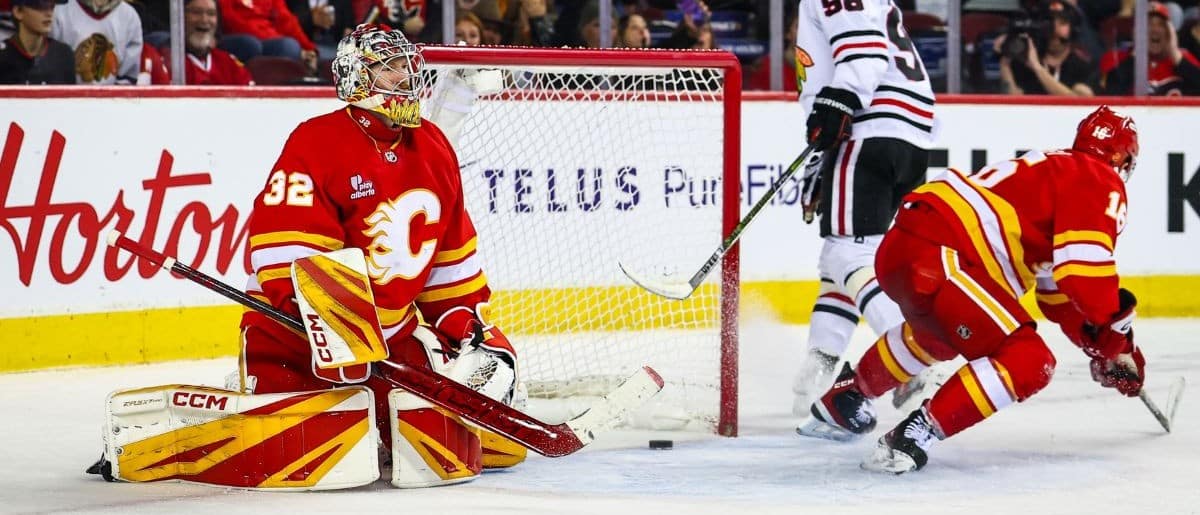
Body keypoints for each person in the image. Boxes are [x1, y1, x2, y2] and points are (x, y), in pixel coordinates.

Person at [239, 23, 524, 483]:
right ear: (357, 79)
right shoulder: (316, 142)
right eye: (389, 68)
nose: (406, 77)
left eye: (406, 65)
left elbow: (448, 271)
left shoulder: (433, 146)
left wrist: (471, 335)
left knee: (468, 452)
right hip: (296, 344)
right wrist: (347, 341)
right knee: (334, 455)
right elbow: (286, 260)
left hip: (391, 347)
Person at [799, 106, 1144, 474]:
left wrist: (1101, 346)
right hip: (946, 255)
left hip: (906, 246)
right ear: (1123, 161)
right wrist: (1116, 341)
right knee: (1029, 361)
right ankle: (914, 435)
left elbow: (1058, 297)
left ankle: (845, 402)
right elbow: (1085, 281)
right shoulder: (1097, 178)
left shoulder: (1053, 169)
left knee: (938, 337)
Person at [788, 0, 937, 415]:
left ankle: (908, 351)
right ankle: (819, 369)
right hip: (906, 137)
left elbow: (866, 49)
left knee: (847, 252)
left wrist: (839, 101)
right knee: (845, 263)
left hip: (870, 126)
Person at [1100, 1, 1200, 95]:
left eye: (1161, 24)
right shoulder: (1115, 58)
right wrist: (1136, 54)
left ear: (1170, 32)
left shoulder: (1183, 58)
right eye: (1148, 24)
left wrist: (1175, 53)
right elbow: (1110, 93)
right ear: (1135, 31)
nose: (1154, 29)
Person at [996, 4, 1097, 96]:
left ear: (1073, 30)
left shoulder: (1085, 65)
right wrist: (1005, 62)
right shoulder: (1025, 60)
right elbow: (1012, 103)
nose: (1054, 29)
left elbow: (1078, 103)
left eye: (1062, 23)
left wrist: (1037, 68)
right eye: (1048, 22)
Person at [50, 0, 143, 84]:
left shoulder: (129, 16)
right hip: (66, 98)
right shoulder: (59, 10)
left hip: (112, 101)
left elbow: (128, 77)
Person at [217, 0, 317, 70]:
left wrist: (308, 48)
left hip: (268, 40)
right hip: (234, 41)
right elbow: (230, 21)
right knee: (251, 44)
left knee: (290, 46)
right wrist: (269, 35)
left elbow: (286, 21)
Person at [178, 0, 254, 85]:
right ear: (181, 16)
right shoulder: (169, 62)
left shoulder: (228, 62)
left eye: (211, 14)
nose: (204, 20)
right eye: (196, 12)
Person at [0, 0, 74, 85]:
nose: (49, 14)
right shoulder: (3, 57)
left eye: (52, 7)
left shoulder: (63, 55)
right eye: (40, 6)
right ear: (18, 11)